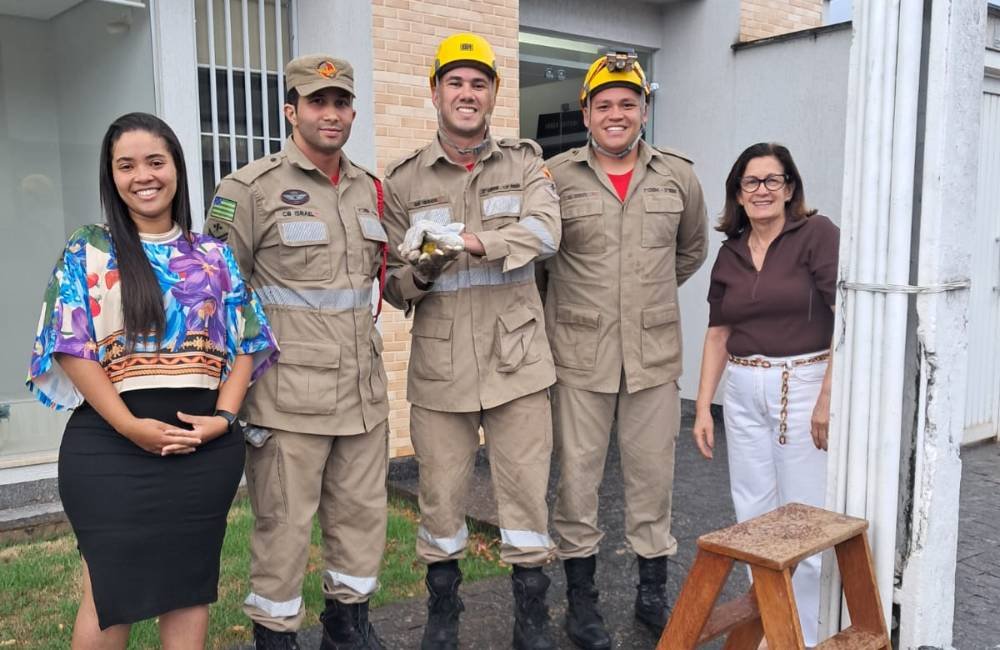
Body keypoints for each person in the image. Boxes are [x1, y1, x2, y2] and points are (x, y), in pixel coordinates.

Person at [26, 111, 278, 649]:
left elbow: (249, 343)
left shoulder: (213, 255)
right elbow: (70, 347)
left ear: (177, 170)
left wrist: (224, 420)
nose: (143, 175)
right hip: (110, 447)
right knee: (108, 594)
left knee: (188, 590)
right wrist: (130, 426)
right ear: (111, 176)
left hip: (202, 451)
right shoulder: (89, 248)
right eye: (126, 165)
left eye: (155, 161)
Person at [381, 32, 562, 650]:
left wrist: (472, 241)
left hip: (517, 362)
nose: (467, 94)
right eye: (455, 83)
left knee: (525, 499)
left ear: (493, 94)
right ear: (435, 92)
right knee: (440, 497)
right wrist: (423, 268)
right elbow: (393, 284)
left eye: (478, 83)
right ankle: (443, 611)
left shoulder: (526, 163)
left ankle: (531, 616)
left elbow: (544, 232)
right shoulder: (403, 181)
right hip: (441, 367)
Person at [204, 55, 390, 650]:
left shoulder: (369, 188)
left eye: (340, 103)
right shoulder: (248, 190)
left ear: (353, 112)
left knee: (361, 522)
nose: (330, 113)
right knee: (284, 530)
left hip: (363, 395)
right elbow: (219, 295)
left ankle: (348, 626)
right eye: (317, 102)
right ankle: (275, 637)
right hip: (288, 399)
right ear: (291, 110)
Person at [540, 51, 708, 649]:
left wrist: (643, 299)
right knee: (578, 482)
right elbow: (542, 264)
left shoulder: (679, 177)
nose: (616, 114)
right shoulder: (554, 178)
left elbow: (688, 253)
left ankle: (650, 593)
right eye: (604, 104)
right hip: (579, 358)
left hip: (653, 357)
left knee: (651, 480)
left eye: (627, 103)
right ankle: (581, 603)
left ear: (644, 109)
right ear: (586, 111)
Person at [692, 142, 838, 648]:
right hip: (743, 389)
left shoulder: (816, 235)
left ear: (790, 187)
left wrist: (826, 398)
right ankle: (774, 628)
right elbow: (717, 333)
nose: (761, 191)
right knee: (753, 516)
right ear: (738, 191)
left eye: (772, 180)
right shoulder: (730, 251)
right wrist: (703, 408)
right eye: (750, 182)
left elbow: (848, 320)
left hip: (801, 384)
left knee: (804, 519)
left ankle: (811, 636)